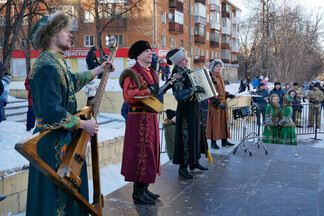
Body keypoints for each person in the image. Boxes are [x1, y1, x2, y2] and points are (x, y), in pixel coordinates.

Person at [26, 12, 114, 215]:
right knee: (57, 201)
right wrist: (83, 124)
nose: (70, 34)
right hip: (53, 146)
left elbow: (71, 82)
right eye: (65, 30)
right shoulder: (47, 66)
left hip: (62, 141)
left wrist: (98, 70)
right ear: (51, 35)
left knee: (67, 195)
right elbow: (51, 111)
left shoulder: (54, 61)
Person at [119, 40, 162, 204]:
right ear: (138, 55)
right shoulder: (131, 73)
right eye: (146, 51)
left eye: (151, 51)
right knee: (140, 153)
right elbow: (129, 96)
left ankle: (144, 188)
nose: (150, 53)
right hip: (138, 120)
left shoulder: (152, 72)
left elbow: (154, 94)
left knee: (150, 153)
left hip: (150, 117)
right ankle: (137, 192)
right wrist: (149, 90)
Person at [166, 48, 208, 179]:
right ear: (177, 62)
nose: (186, 60)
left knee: (195, 135)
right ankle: (183, 168)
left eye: (185, 58)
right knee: (186, 138)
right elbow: (178, 96)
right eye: (183, 59)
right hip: (185, 110)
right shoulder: (176, 75)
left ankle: (194, 162)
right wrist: (194, 89)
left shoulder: (186, 72)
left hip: (194, 107)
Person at [206, 59, 235, 149]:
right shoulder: (211, 77)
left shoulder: (220, 77)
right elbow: (211, 92)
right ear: (213, 68)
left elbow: (221, 90)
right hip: (215, 105)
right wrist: (218, 103)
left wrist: (228, 94)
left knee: (223, 122)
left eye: (220, 66)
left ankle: (224, 141)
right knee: (215, 123)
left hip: (223, 103)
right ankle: (213, 142)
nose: (219, 68)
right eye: (217, 66)